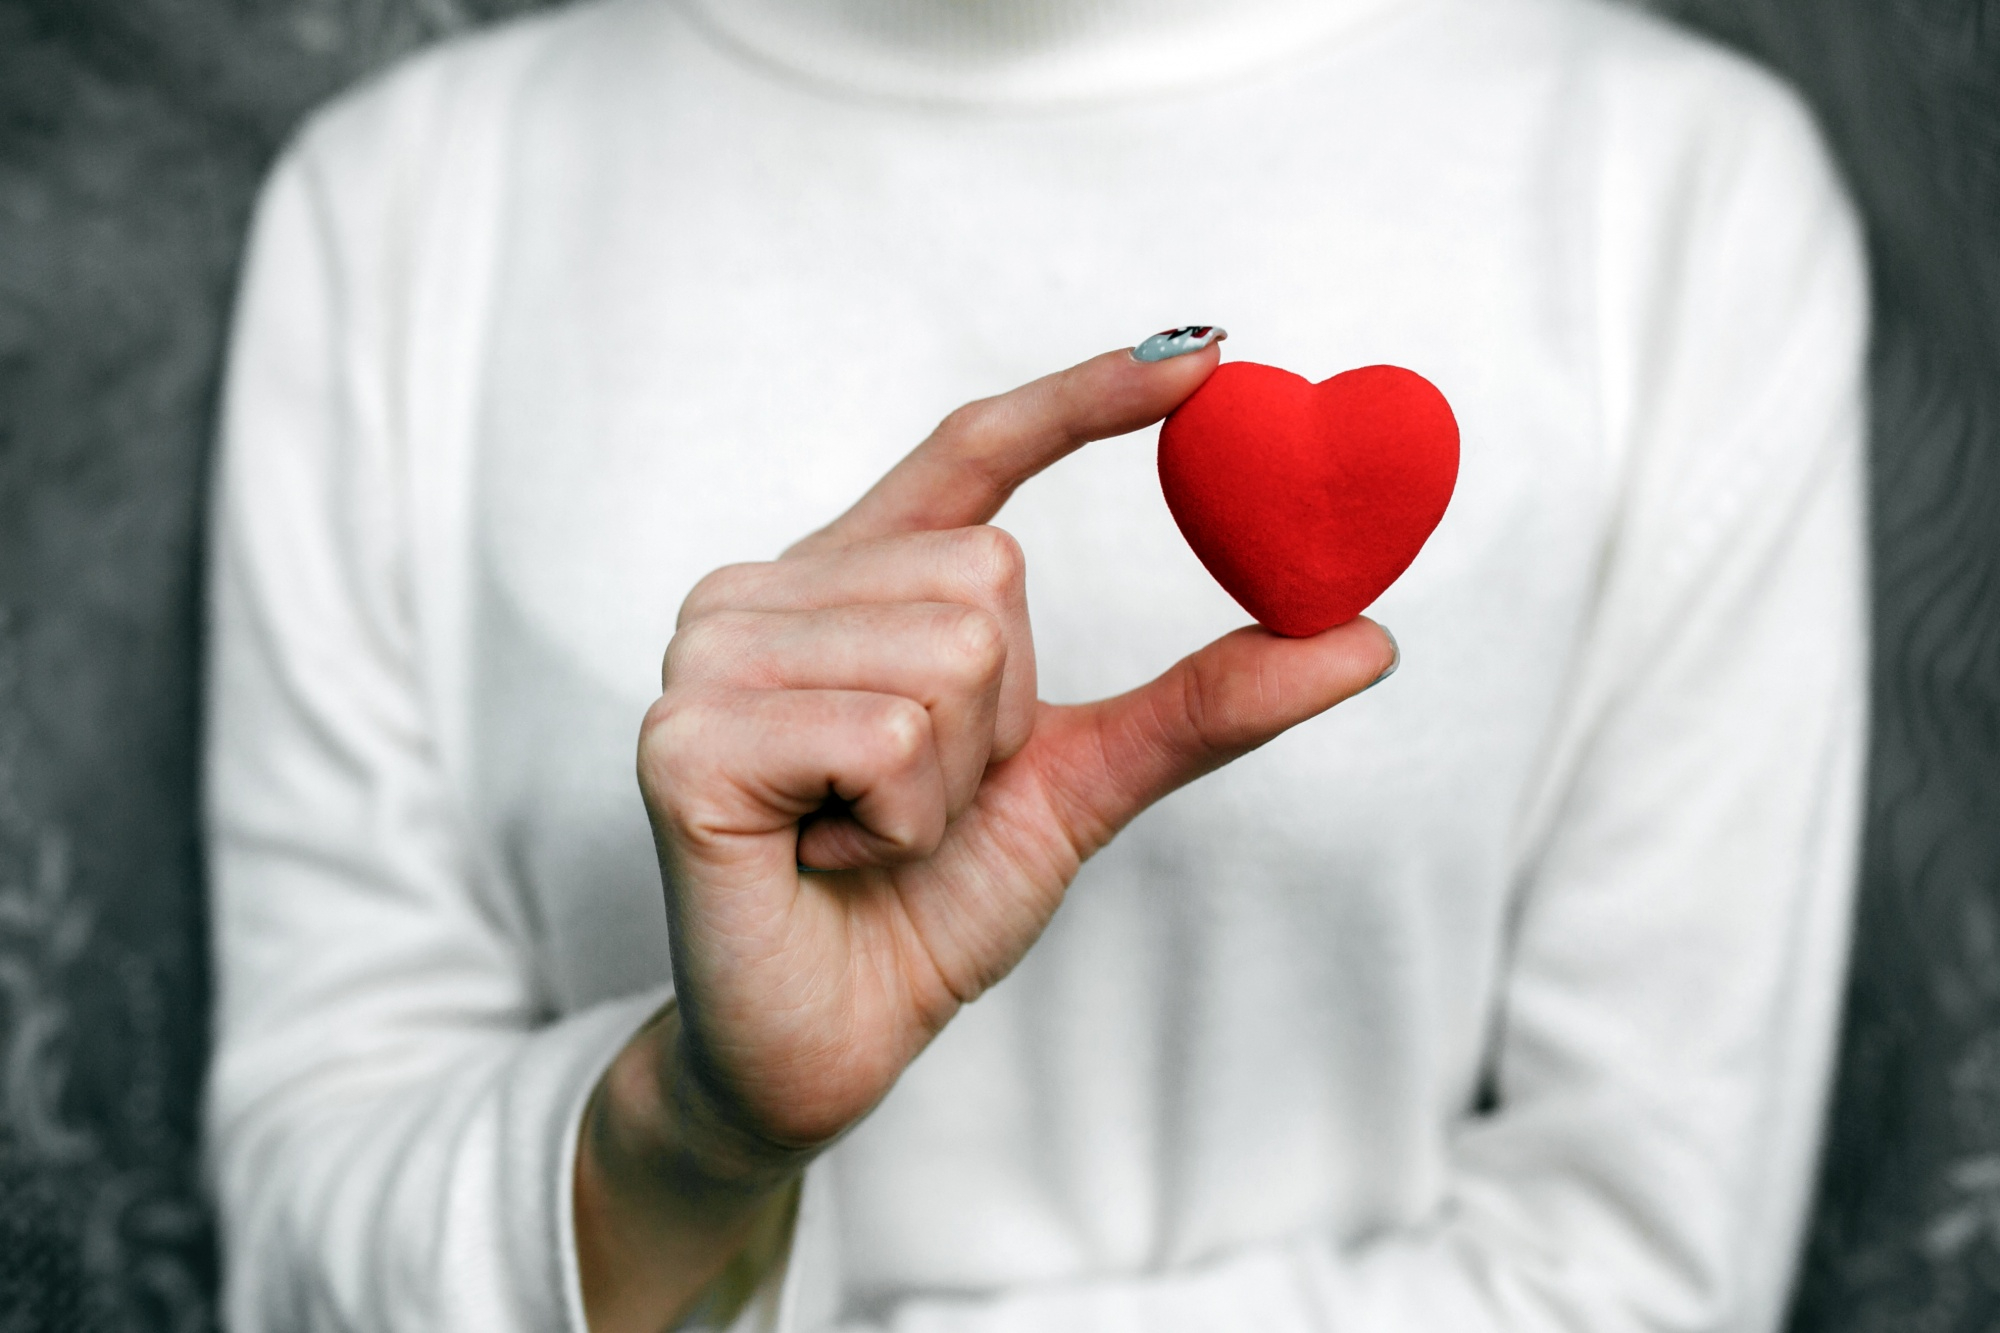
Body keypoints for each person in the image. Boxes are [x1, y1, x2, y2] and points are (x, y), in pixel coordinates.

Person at [201, 0, 1869, 1329]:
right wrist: (692, 1135)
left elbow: (1635, 1268)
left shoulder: (1674, 189)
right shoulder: (406, 202)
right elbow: (296, 1242)